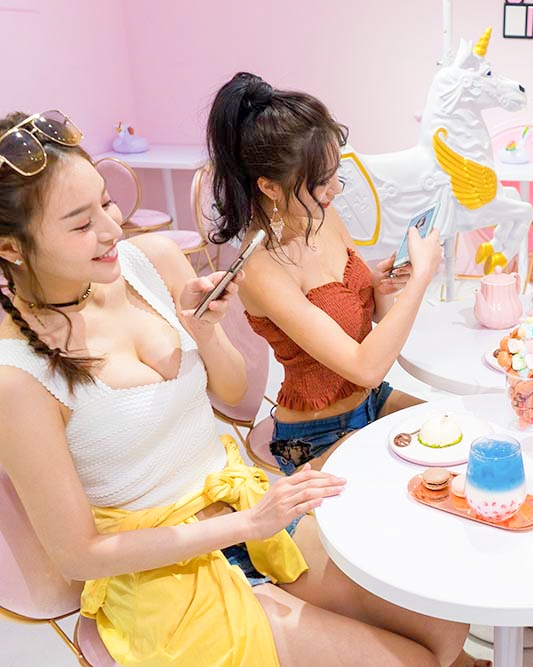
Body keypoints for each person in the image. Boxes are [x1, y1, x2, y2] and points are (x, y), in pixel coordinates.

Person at [0, 110, 469, 666]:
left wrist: (204, 332)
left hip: (244, 505)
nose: (111, 229)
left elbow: (236, 392)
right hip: (160, 574)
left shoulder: (151, 261)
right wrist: (248, 523)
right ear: (11, 248)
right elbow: (79, 556)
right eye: (81, 225)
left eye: (107, 202)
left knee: (445, 624)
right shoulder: (17, 377)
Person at [207, 72, 441, 476]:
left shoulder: (322, 216)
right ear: (270, 187)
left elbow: (373, 321)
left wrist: (378, 284)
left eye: (336, 173)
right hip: (314, 435)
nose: (335, 190)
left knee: (458, 433)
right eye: (320, 182)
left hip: (372, 399)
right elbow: (366, 365)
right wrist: (421, 279)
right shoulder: (261, 268)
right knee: (422, 481)